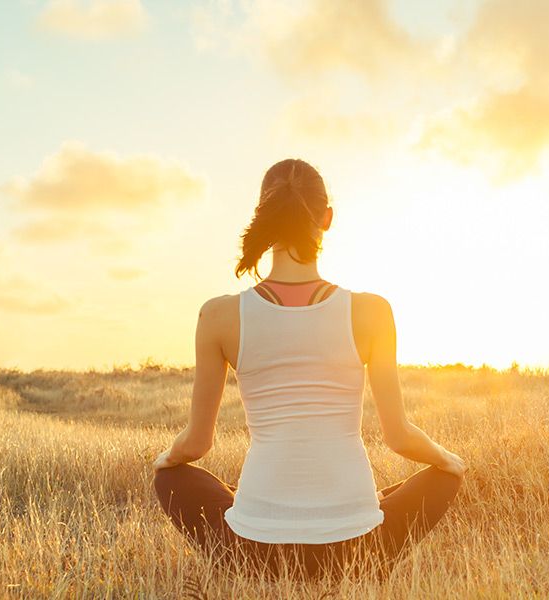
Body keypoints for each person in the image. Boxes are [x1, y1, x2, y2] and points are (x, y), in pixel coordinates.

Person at [150, 158, 466, 580]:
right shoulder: (372, 311)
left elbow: (195, 445)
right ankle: (356, 548)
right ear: (327, 219)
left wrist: (164, 459)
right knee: (441, 478)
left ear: (261, 216)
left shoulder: (219, 315)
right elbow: (399, 437)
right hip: (357, 551)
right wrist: (449, 461)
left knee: (171, 478)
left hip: (255, 552)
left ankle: (252, 537)